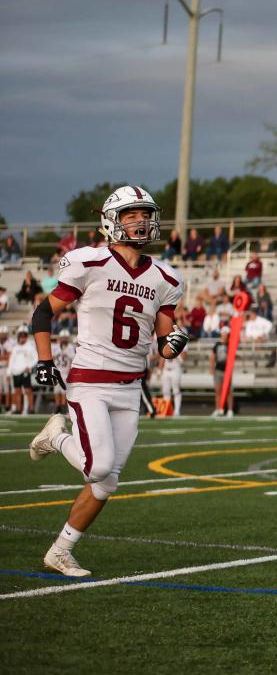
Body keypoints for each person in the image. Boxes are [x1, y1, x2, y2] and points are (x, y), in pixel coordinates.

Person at [27, 185, 188, 578]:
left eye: (145, 214)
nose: (140, 221)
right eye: (131, 214)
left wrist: (176, 343)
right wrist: (44, 360)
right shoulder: (90, 263)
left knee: (107, 482)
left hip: (130, 387)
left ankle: (60, 551)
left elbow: (164, 343)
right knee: (99, 468)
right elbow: (42, 313)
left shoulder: (167, 277)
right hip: (91, 381)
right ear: (111, 221)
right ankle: (57, 437)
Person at [8, 327, 38, 414]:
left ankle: (32, 409)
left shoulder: (30, 347)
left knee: (28, 390)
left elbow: (35, 358)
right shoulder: (15, 348)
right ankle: (18, 408)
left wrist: (29, 366)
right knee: (17, 391)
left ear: (26, 336)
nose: (22, 337)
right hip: (15, 372)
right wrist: (9, 372)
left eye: (24, 336)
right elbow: (11, 360)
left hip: (25, 371)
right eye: (20, 335)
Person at [210, 326, 234, 418]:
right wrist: (211, 368)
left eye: (225, 333)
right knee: (218, 391)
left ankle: (230, 410)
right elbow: (213, 356)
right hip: (218, 370)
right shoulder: (217, 345)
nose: (223, 335)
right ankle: (218, 409)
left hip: (227, 371)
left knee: (228, 391)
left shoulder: (230, 344)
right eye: (223, 333)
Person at [51, 330, 76, 415]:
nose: (64, 339)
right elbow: (52, 358)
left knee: (64, 392)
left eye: (65, 338)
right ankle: (57, 407)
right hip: (57, 371)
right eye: (63, 338)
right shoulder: (55, 347)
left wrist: (65, 351)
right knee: (56, 391)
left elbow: (73, 358)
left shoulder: (70, 347)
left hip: (66, 372)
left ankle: (63, 408)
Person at [159, 347, 185, 416]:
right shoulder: (165, 343)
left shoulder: (180, 345)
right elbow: (162, 358)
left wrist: (175, 354)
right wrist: (159, 370)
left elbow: (182, 360)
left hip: (175, 369)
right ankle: (166, 410)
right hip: (166, 370)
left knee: (176, 391)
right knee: (166, 391)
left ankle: (177, 410)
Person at [0, 326, 12, 412]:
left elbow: (9, 356)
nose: (2, 336)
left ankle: (8, 406)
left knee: (7, 388)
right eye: (1, 334)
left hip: (6, 368)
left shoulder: (9, 343)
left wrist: (4, 357)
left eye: (4, 334)